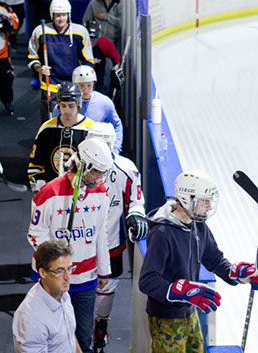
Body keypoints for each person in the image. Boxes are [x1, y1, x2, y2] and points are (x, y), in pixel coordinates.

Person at [138, 170, 258, 352]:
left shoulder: (197, 225)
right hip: (166, 318)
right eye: (204, 201)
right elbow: (147, 281)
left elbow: (214, 259)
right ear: (186, 199)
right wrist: (179, 290)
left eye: (209, 201)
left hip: (190, 313)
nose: (208, 207)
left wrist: (236, 273)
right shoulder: (162, 234)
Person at [26, 138, 113, 353]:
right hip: (53, 279)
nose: (100, 178)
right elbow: (35, 234)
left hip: (86, 278)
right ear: (83, 165)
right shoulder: (49, 192)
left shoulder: (101, 193)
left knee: (83, 338)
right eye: (97, 172)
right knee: (53, 336)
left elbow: (101, 233)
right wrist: (55, 262)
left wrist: (104, 270)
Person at [85, 122, 147, 352]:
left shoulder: (125, 168)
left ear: (113, 143)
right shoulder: (74, 165)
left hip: (110, 240)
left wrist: (137, 214)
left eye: (106, 142)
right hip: (80, 241)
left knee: (107, 287)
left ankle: (100, 323)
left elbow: (136, 200)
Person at [28, 0, 94, 123]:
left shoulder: (80, 32)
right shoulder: (40, 31)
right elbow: (32, 57)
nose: (61, 19)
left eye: (64, 15)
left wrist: (83, 83)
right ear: (52, 15)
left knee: (73, 121)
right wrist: (39, 68)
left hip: (74, 86)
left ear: (68, 15)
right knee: (49, 122)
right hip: (50, 85)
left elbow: (88, 60)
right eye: (58, 15)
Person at [12, 241, 83, 353]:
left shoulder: (62, 292)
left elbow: (69, 337)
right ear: (43, 273)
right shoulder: (32, 318)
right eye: (59, 271)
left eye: (69, 269)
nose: (67, 277)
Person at [28, 82, 95, 193]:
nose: (67, 111)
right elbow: (35, 163)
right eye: (63, 106)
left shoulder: (91, 130)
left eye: (71, 106)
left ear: (78, 104)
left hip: (81, 191)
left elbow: (96, 166)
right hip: (52, 191)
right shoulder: (46, 128)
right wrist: (40, 184)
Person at [52, 65, 123, 153]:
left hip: (97, 152)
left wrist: (115, 149)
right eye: (81, 85)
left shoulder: (105, 102)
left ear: (94, 84)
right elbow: (54, 129)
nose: (85, 89)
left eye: (89, 85)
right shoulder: (62, 106)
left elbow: (116, 125)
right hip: (70, 149)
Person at [84, 20, 121, 96]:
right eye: (89, 38)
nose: (91, 43)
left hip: (99, 82)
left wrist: (115, 72)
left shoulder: (104, 43)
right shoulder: (78, 42)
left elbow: (116, 60)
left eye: (93, 39)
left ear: (98, 37)